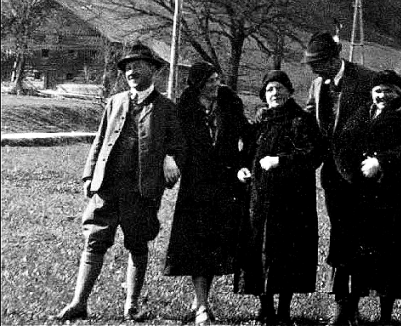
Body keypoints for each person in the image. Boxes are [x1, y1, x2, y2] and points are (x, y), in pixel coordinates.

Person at [55, 42, 183, 322]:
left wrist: (171, 158)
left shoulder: (167, 108)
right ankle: (79, 302)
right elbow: (100, 140)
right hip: (107, 186)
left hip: (141, 190)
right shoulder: (115, 102)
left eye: (138, 65)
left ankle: (132, 305)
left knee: (138, 243)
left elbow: (178, 145)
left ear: (153, 70)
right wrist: (90, 174)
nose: (131, 71)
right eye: (127, 67)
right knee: (94, 240)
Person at [300, 32, 401, 325]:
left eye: (318, 64)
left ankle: (351, 307)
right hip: (332, 174)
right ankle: (344, 308)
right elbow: (307, 114)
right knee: (340, 239)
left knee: (360, 239)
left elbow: (394, 96)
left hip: (361, 176)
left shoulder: (365, 77)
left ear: (334, 58)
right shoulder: (317, 84)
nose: (314, 71)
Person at [330, 70, 401, 325]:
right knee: (354, 255)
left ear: (399, 93)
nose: (383, 95)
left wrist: (381, 162)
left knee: (390, 256)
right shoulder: (362, 113)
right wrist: (351, 174)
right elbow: (342, 143)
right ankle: (348, 312)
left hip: (392, 198)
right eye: (378, 90)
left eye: (389, 91)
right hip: (359, 196)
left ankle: (386, 316)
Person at [163, 61, 253, 324]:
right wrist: (169, 157)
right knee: (197, 242)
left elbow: (247, 135)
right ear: (198, 84)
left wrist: (243, 165)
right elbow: (172, 138)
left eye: (218, 79)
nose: (217, 84)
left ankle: (200, 301)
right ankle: (202, 304)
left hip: (225, 182)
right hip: (196, 183)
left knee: (213, 243)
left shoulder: (229, 103)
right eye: (211, 80)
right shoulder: (186, 107)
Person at [234, 70, 325, 325]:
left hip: (291, 201)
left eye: (279, 88)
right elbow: (248, 155)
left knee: (287, 253)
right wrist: (243, 169)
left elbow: (313, 154)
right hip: (260, 199)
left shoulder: (302, 121)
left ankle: (284, 308)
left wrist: (280, 160)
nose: (275, 94)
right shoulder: (261, 122)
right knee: (260, 249)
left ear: (289, 91)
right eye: (270, 90)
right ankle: (265, 307)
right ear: (264, 95)